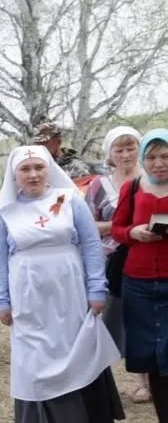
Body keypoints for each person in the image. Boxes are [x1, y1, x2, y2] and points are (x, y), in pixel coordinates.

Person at [0, 145, 124, 423]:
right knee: (35, 357)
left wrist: (96, 289)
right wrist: (1, 300)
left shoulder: (69, 200)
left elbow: (91, 245)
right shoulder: (5, 212)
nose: (33, 174)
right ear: (14, 175)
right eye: (25, 169)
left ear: (49, 168)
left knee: (71, 349)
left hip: (69, 289)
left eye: (39, 167)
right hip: (28, 293)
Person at [85, 125, 150, 403]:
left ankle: (148, 381)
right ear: (109, 153)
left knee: (147, 319)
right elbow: (87, 224)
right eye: (119, 149)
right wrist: (122, 227)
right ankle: (99, 382)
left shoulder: (152, 178)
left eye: (130, 148)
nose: (125, 154)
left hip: (149, 257)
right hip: (112, 260)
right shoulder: (99, 186)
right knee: (113, 318)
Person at [111, 129, 168, 423]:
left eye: (165, 156)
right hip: (139, 281)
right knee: (152, 355)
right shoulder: (132, 188)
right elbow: (117, 230)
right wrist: (134, 232)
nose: (159, 163)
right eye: (152, 157)